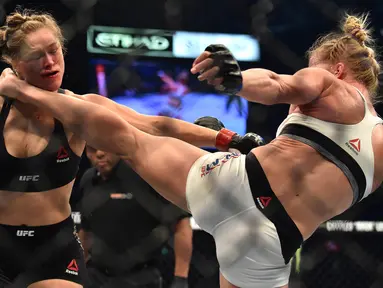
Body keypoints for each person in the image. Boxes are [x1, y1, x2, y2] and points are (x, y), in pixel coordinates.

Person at [7, 11, 378, 288]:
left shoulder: (328, 82)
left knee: (131, 141)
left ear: (338, 69)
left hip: (235, 184)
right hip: (273, 246)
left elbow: (278, 84)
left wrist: (237, 80)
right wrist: (229, 138)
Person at [0, 8, 261, 288]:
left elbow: (156, 126)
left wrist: (228, 139)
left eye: (54, 51)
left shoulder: (82, 110)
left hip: (53, 250)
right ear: (15, 63)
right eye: (36, 56)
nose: (50, 62)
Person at [76, 145, 192, 288]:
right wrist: (77, 271)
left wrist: (181, 278)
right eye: (92, 149)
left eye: (105, 147)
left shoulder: (145, 177)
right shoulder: (88, 179)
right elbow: (85, 231)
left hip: (142, 276)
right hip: (98, 276)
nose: (99, 154)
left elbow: (182, 225)